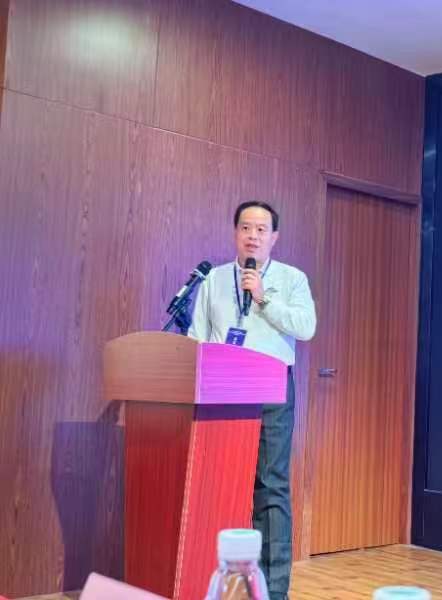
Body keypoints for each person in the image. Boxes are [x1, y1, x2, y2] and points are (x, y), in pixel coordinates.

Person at [188, 200, 317, 600]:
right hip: (220, 392)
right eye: (246, 227)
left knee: (270, 485)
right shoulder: (214, 279)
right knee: (216, 483)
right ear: (235, 232)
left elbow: (306, 328)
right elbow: (197, 336)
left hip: (272, 390)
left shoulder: (292, 279)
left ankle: (273, 590)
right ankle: (215, 582)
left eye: (261, 230)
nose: (253, 236)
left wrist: (262, 298)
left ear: (274, 237)